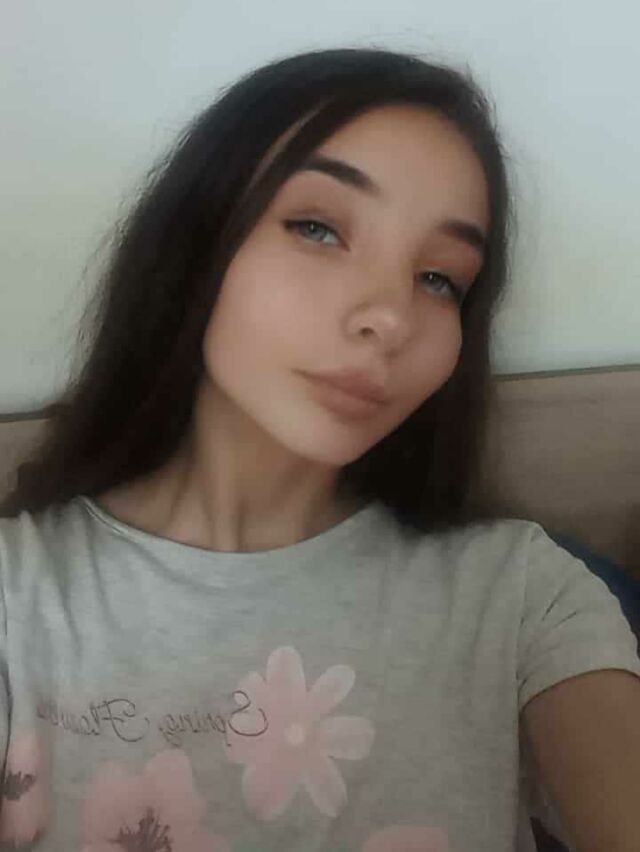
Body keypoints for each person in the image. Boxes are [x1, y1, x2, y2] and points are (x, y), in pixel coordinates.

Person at [0, 46, 638, 852]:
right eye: (317, 228)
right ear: (196, 242)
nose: (391, 317)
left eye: (440, 278)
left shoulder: (522, 595)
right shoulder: (17, 598)